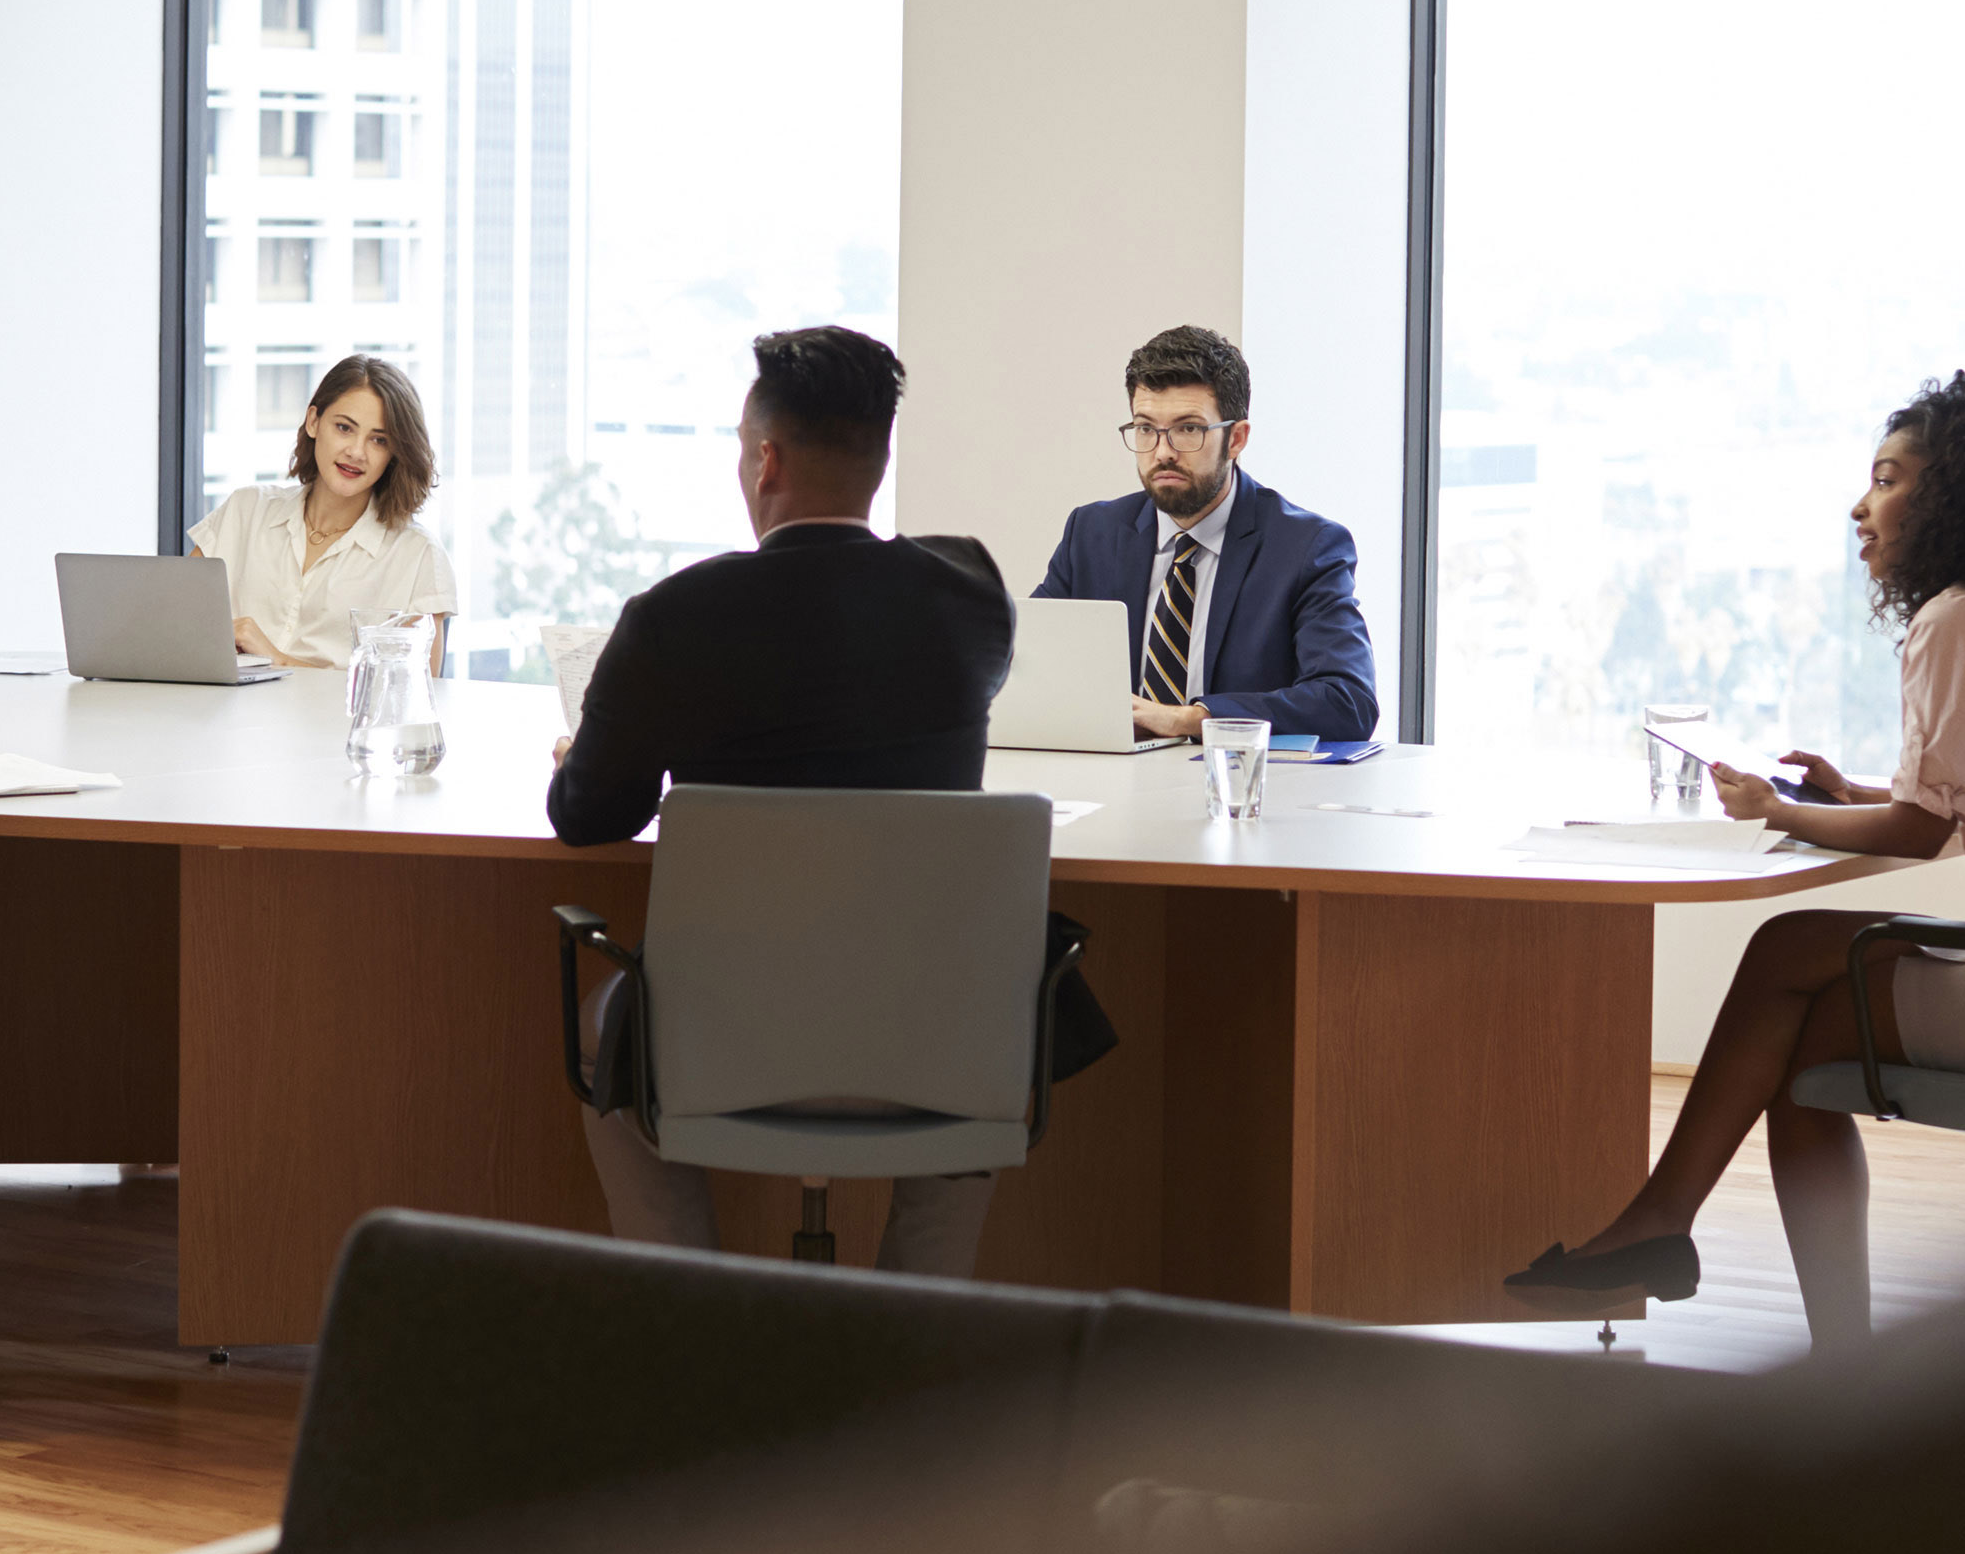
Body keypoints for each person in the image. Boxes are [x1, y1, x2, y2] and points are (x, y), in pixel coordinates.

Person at [1507, 372, 1965, 1350]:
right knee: (1808, 1051)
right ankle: (1722, 1272)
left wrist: (1777, 810)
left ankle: (1669, 1229)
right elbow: (1957, 800)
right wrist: (1847, 795)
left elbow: (1921, 832)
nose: (1862, 503)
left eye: (1887, 479)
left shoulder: (1955, 621)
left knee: (1788, 951)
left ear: (1948, 501)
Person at [550, 325, 1067, 1279]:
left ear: (765, 460)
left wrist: (594, 741)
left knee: (601, 1021)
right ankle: (918, 1324)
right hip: (940, 1039)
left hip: (722, 1045)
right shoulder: (970, 598)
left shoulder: (674, 618)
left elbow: (590, 815)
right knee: (990, 1003)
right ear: (880, 459)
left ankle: (693, 1313)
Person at [1033, 324, 1379, 743]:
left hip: (1236, 790)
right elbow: (1027, 660)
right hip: (1111, 787)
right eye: (1146, 429)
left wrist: (1190, 720)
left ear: (1236, 438)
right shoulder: (1091, 535)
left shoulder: (1305, 547)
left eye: (1188, 429)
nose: (1162, 452)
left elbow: (1348, 701)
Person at [188, 352, 458, 670]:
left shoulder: (418, 556)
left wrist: (278, 661)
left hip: (333, 722)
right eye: (344, 428)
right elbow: (170, 624)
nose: (356, 452)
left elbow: (411, 698)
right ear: (314, 421)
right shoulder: (246, 510)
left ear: (395, 452)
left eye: (379, 440)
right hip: (216, 715)